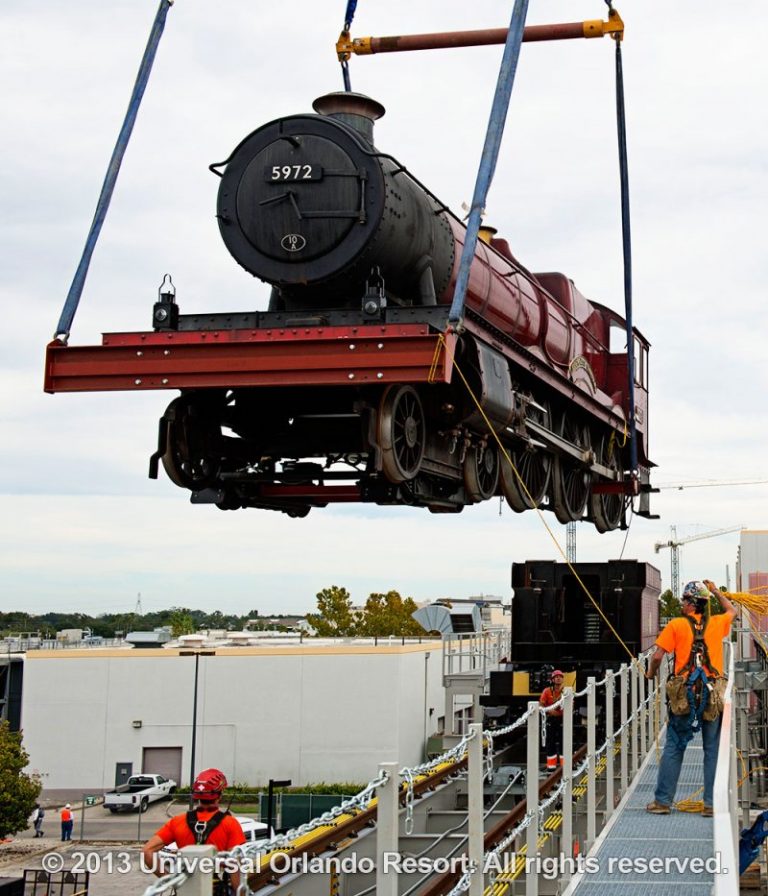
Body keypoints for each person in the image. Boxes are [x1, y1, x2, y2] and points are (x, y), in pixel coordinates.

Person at [644, 579, 737, 817]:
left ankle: (663, 802)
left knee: (675, 745)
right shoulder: (716, 624)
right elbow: (732, 611)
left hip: (685, 696)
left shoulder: (676, 625)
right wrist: (716, 591)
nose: (682, 604)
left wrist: (650, 673)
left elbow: (657, 656)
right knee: (712, 748)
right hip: (711, 693)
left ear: (691, 603)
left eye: (685, 601)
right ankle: (711, 804)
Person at [142, 768, 246, 893]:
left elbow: (147, 851)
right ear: (219, 795)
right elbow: (235, 870)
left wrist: (171, 881)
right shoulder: (230, 824)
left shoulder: (177, 822)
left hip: (186, 889)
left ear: (196, 796)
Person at [539, 670, 565, 770]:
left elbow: (570, 705)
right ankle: (551, 765)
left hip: (563, 720)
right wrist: (550, 711)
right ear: (552, 679)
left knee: (564, 741)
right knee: (551, 741)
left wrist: (558, 713)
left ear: (562, 679)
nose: (558, 678)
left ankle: (564, 764)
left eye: (560, 676)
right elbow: (541, 704)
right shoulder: (547, 691)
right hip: (551, 719)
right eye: (556, 677)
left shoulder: (566, 691)